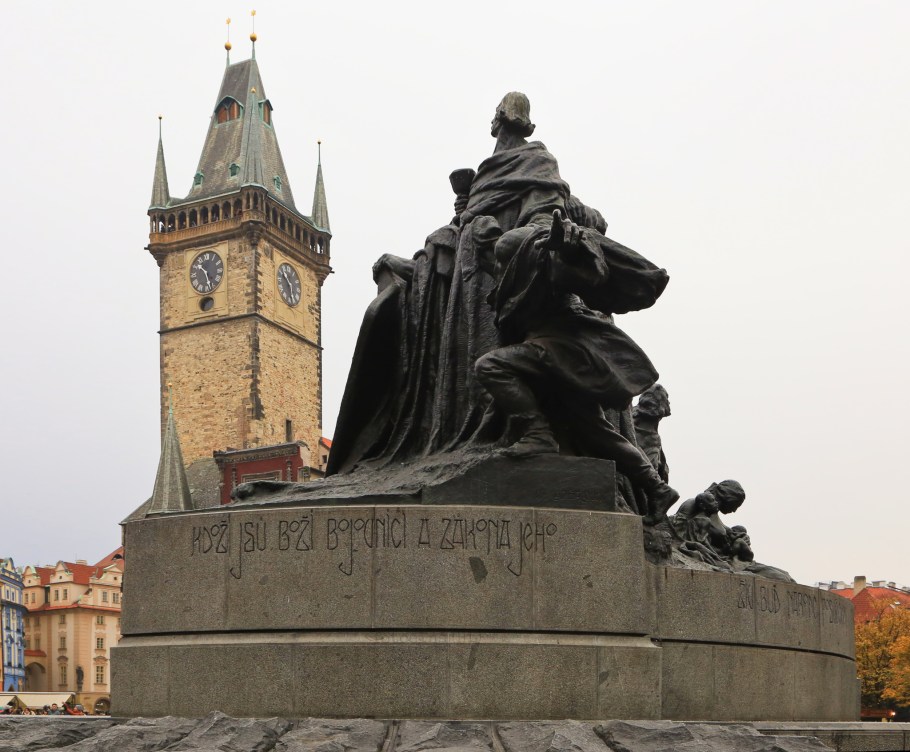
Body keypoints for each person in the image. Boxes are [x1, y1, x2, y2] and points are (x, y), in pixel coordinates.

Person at [473, 210, 679, 520]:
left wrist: (570, 245)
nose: (497, 264)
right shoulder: (509, 264)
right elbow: (492, 257)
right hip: (555, 351)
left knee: (490, 366)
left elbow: (582, 269)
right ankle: (657, 487)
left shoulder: (542, 259)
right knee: (595, 431)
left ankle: (538, 434)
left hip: (560, 347)